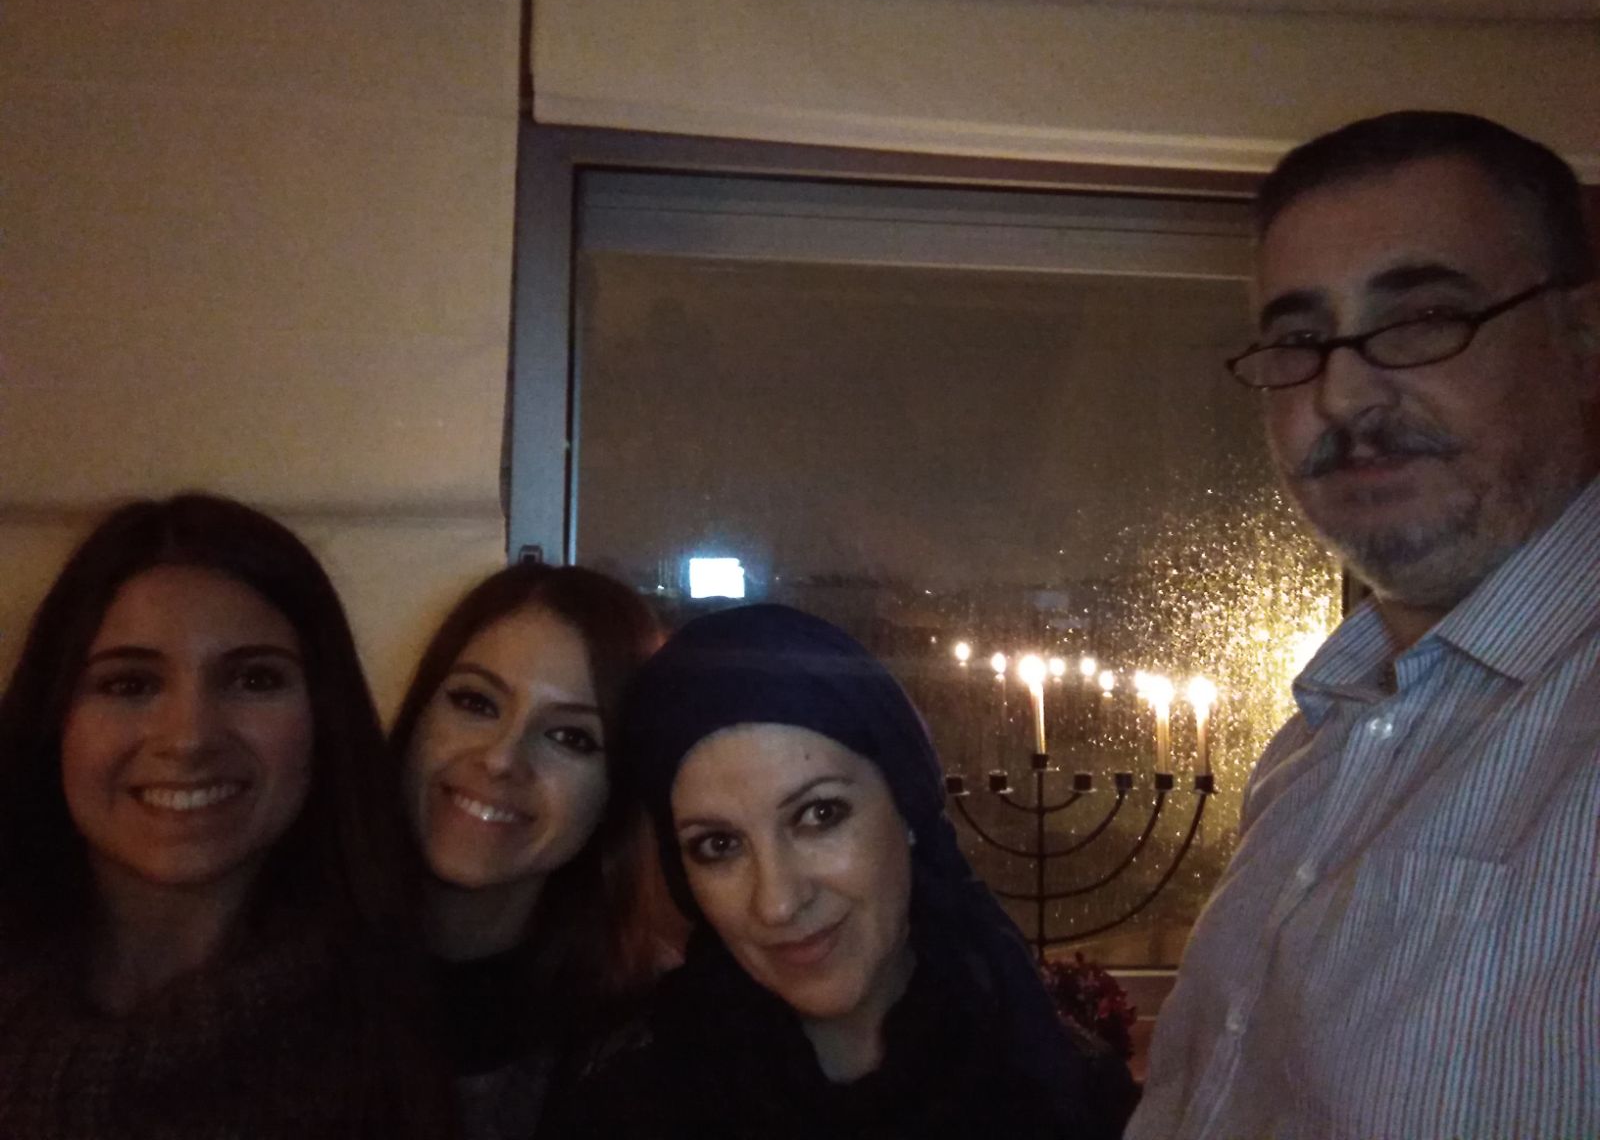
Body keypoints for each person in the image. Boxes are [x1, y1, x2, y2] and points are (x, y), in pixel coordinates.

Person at [1130, 111, 1600, 1139]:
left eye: (1423, 317)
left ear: (1580, 337)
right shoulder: (1314, 742)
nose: (1341, 393)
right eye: (1298, 341)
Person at [551, 603, 1134, 1140]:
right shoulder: (621, 1109)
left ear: (907, 807)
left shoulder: (1068, 1097)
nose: (777, 902)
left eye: (819, 815)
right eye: (719, 845)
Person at [0, 493, 454, 1138]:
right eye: (130, 685)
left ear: (322, 719)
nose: (189, 738)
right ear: (54, 719)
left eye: (254, 680)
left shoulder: (399, 1033)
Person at [389, 561, 670, 1140]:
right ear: (418, 715)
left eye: (571, 736)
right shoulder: (270, 974)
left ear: (616, 795)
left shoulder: (656, 1033)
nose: (501, 759)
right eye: (476, 703)